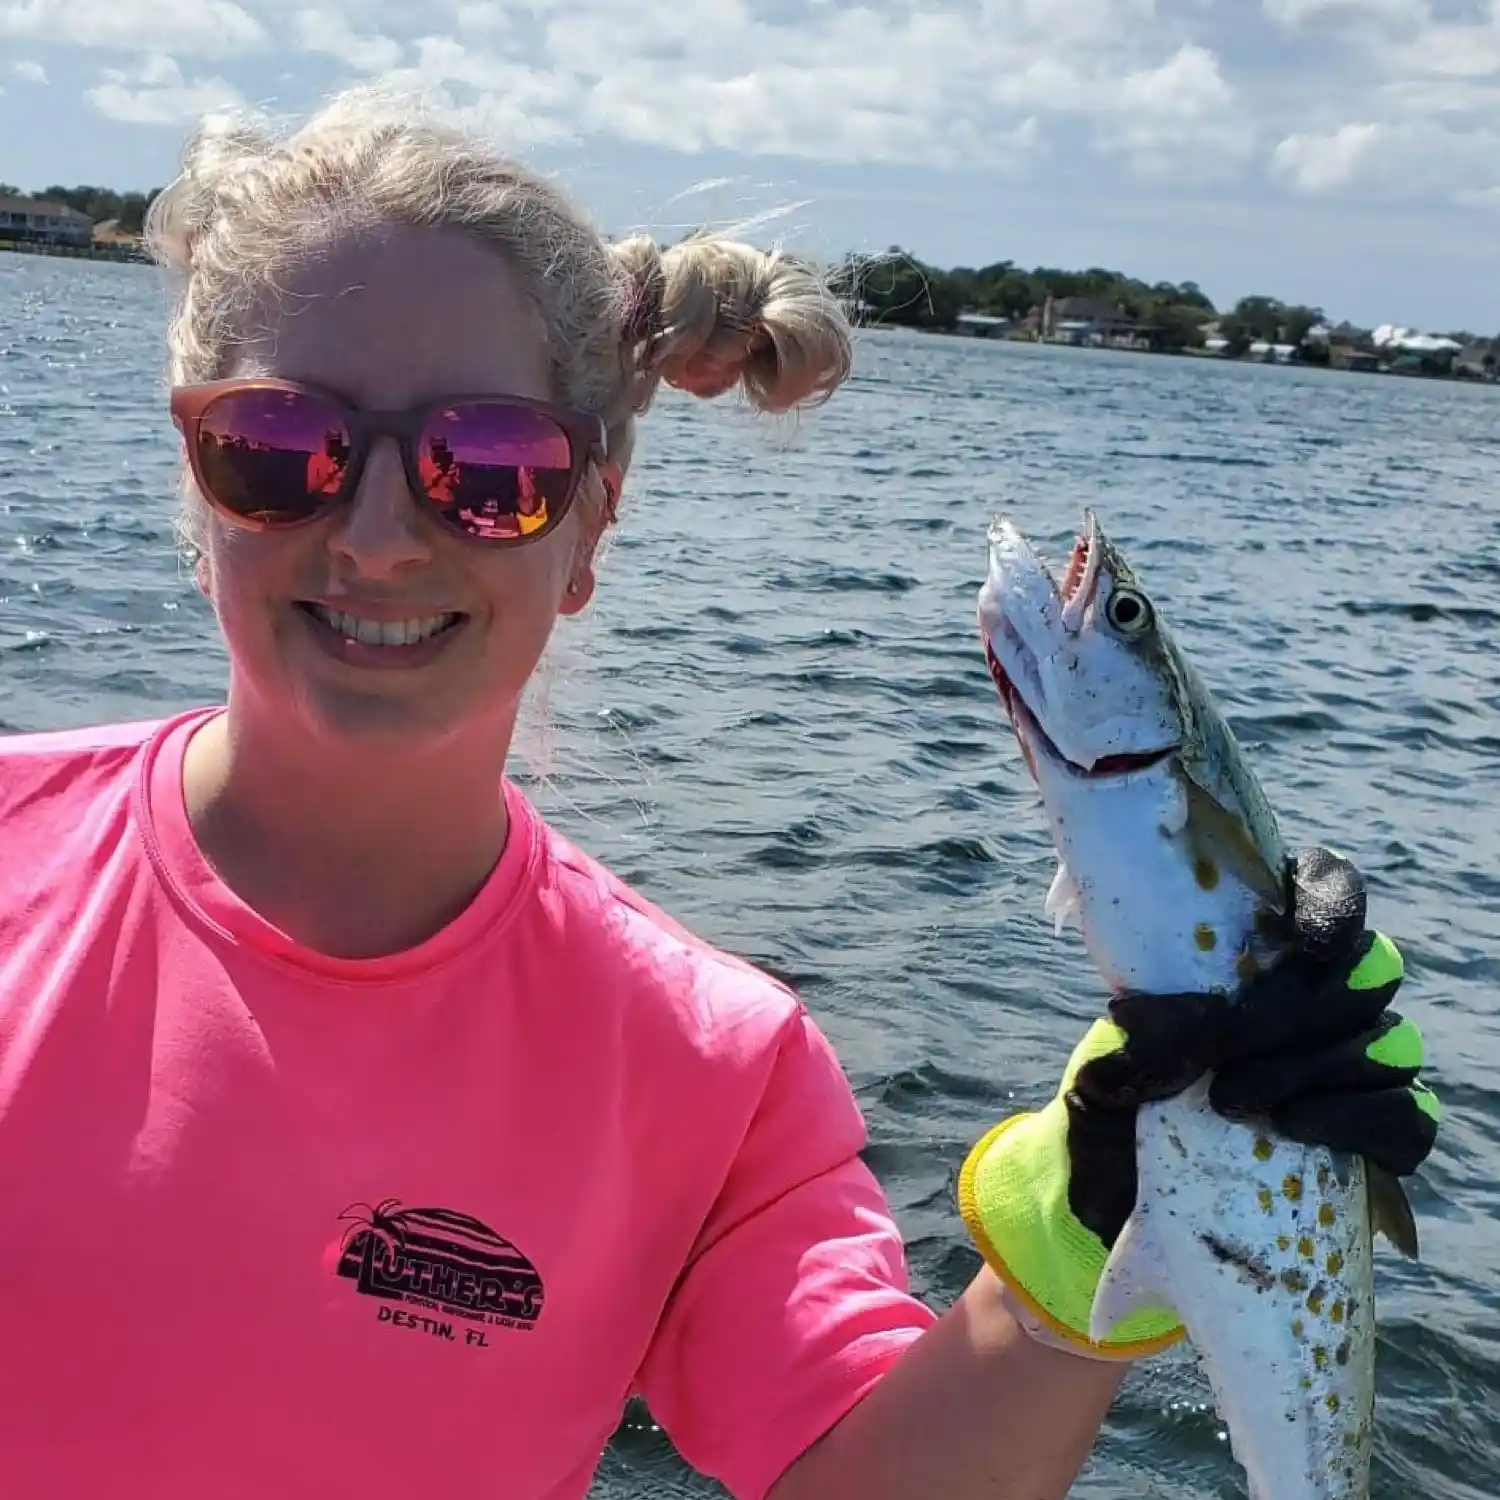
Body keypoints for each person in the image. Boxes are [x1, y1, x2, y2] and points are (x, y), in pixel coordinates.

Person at [0, 88, 1440, 1500]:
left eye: (486, 467)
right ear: (193, 476)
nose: (376, 535)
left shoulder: (709, 1070)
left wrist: (1092, 1216)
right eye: (278, 447)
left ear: (589, 527)